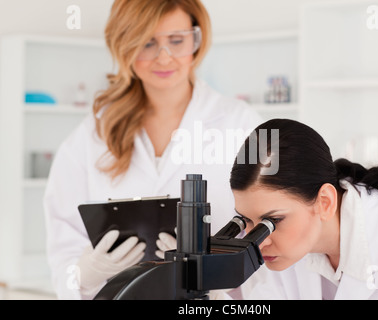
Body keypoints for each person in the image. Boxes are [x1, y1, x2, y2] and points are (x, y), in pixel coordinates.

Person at [44, 0, 262, 300]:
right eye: (147, 43)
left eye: (176, 40)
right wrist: (83, 275)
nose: (164, 57)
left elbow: (271, 235)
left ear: (197, 40)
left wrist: (212, 279)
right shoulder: (94, 133)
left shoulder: (243, 123)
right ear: (124, 46)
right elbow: (63, 238)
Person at [231, 119, 378, 300]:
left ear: (324, 202)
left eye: (273, 221)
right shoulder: (286, 254)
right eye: (246, 220)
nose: (258, 241)